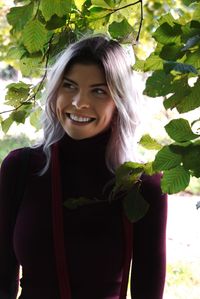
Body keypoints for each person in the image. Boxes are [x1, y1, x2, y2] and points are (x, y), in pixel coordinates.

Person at [0, 35, 167, 299]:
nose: (79, 102)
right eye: (69, 86)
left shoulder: (142, 185)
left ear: (119, 102)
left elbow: (149, 290)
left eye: (98, 90)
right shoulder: (21, 168)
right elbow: (2, 275)